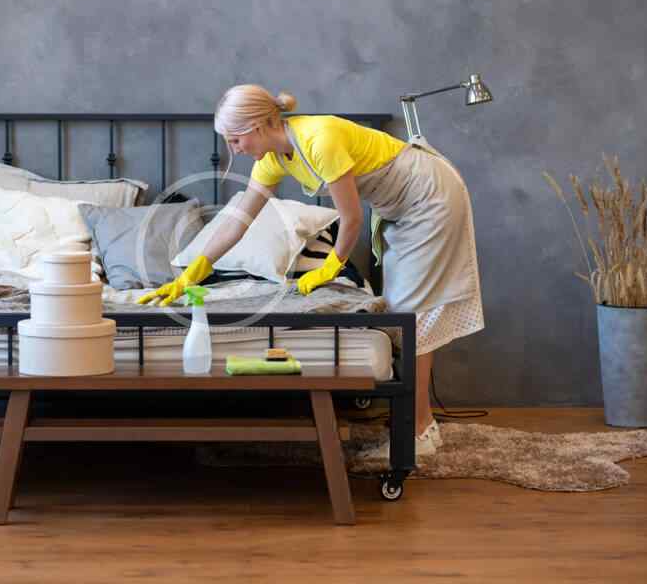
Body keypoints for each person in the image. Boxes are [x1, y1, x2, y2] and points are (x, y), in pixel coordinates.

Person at [138, 84, 484, 459]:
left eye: (235, 139)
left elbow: (351, 219)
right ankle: (423, 425)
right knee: (406, 312)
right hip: (399, 207)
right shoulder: (272, 160)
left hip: (429, 196)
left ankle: (417, 434)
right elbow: (236, 223)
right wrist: (192, 272)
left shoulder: (320, 139)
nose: (233, 150)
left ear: (256, 126)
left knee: (411, 314)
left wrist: (331, 266)